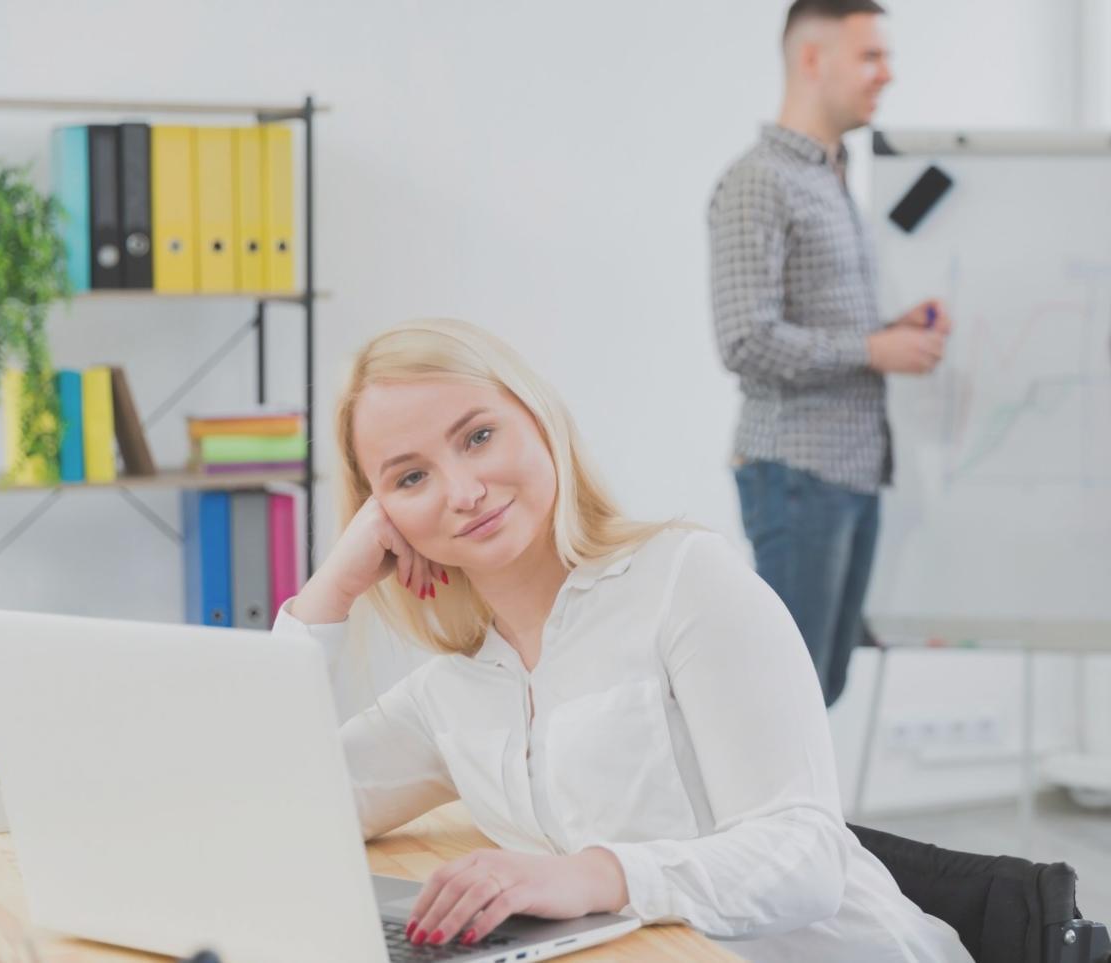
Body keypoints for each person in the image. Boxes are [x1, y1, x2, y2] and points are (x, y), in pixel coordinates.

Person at [275, 318, 971, 962]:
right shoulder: (450, 689)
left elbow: (806, 856)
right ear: (382, 512)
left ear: (538, 418)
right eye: (411, 477)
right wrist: (328, 592)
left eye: (478, 436)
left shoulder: (684, 581)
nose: (463, 490)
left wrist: (593, 876)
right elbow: (280, 800)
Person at [710, 0, 951, 707]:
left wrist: (888, 330)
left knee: (823, 686)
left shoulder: (830, 176)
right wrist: (875, 347)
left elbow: (818, 320)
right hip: (797, 472)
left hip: (847, 472)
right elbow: (744, 339)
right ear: (813, 60)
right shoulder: (761, 180)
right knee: (789, 697)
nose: (888, 74)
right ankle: (776, 824)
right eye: (872, 56)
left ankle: (803, 823)